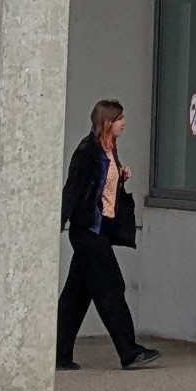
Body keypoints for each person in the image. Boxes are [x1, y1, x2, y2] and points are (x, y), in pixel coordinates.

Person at [56, 98, 148, 366]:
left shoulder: (110, 149)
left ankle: (59, 355)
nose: (124, 123)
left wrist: (120, 177)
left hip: (100, 230)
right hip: (87, 231)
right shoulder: (87, 151)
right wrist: (59, 222)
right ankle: (129, 352)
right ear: (107, 122)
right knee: (111, 288)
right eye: (119, 119)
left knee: (76, 295)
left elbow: (102, 190)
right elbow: (73, 189)